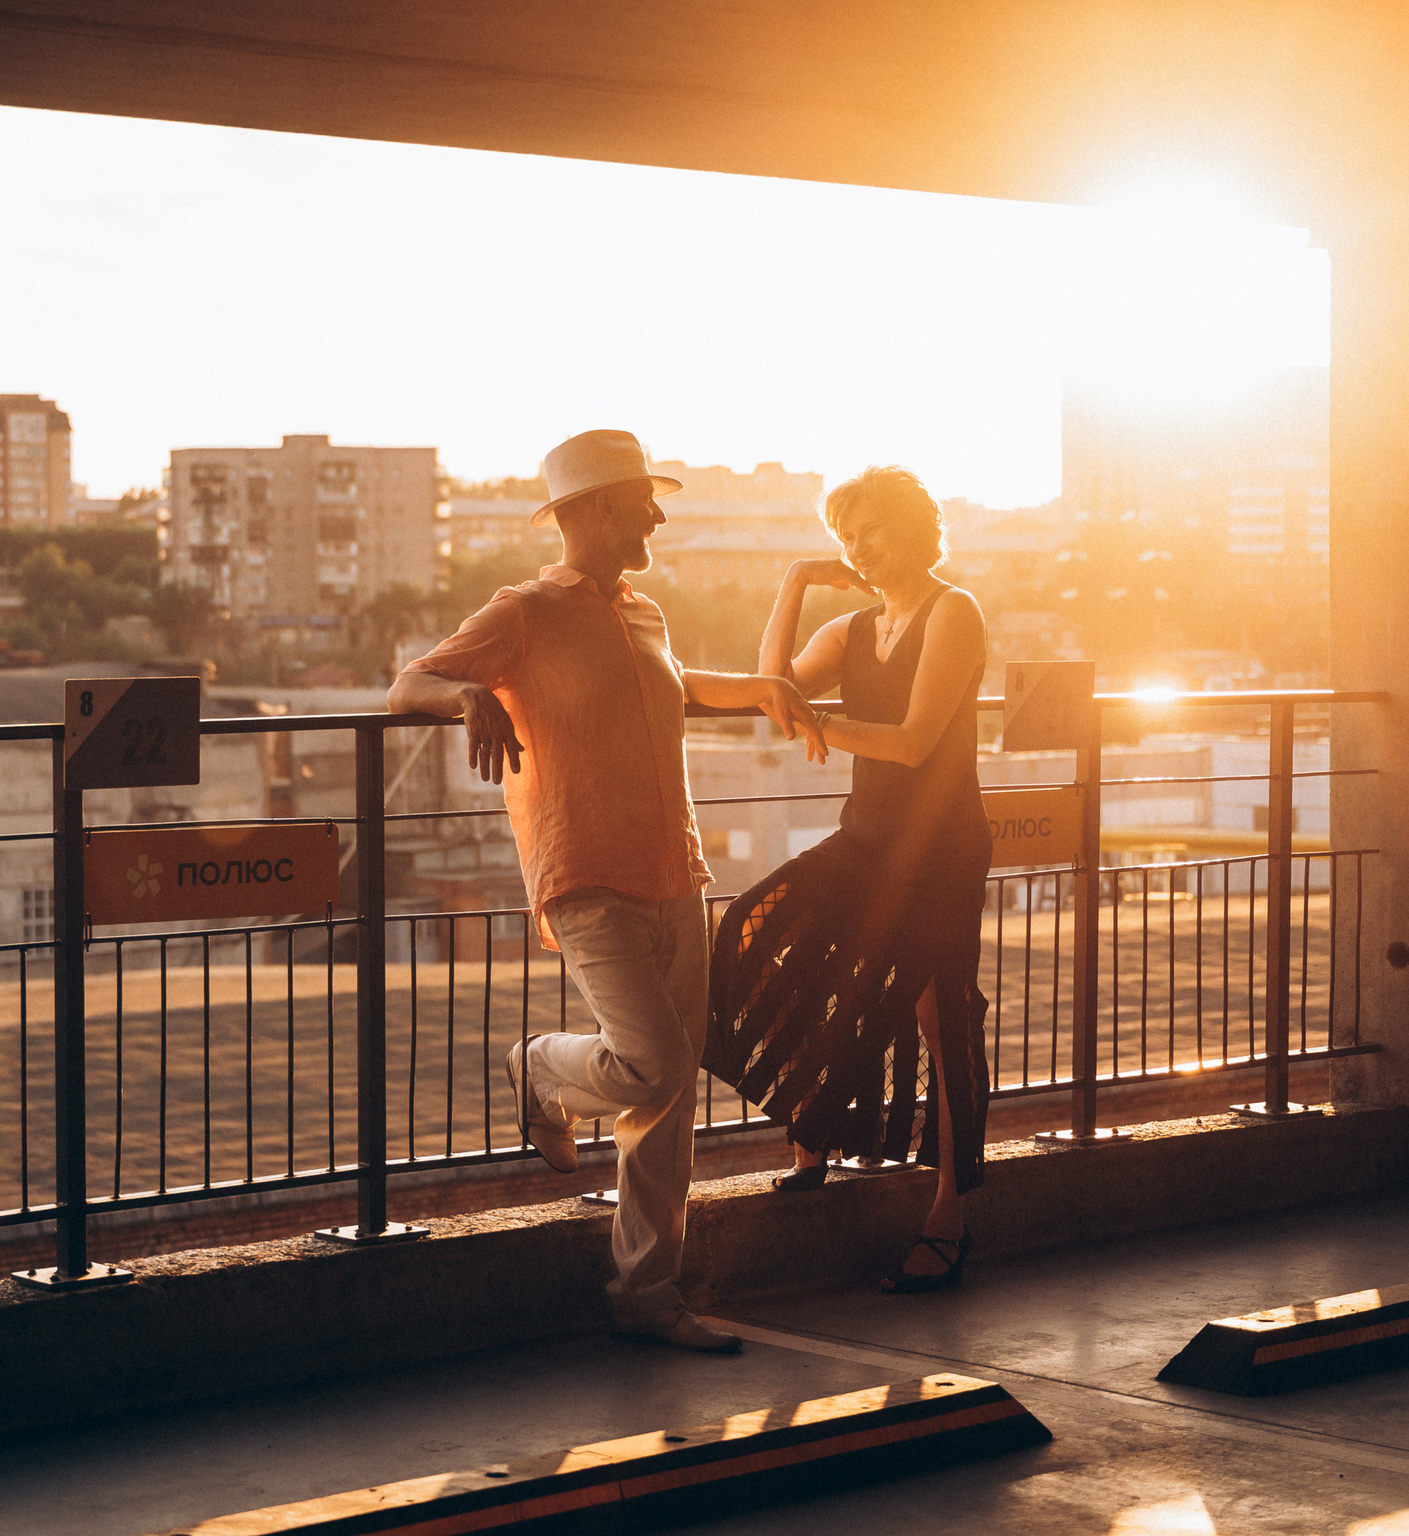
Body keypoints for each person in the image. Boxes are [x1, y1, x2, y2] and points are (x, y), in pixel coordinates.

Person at [389, 429, 825, 1352]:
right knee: (655, 1066)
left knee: (667, 1101)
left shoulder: (645, 613)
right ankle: (540, 1068)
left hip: (675, 867)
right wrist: (465, 697)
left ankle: (646, 1294)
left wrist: (760, 689)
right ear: (592, 511)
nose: (658, 517)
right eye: (642, 502)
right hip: (584, 873)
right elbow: (407, 683)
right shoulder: (524, 611)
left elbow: (672, 688)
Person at [702, 464, 992, 1294]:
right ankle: (815, 1121)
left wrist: (818, 721)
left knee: (940, 1019)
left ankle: (948, 1216)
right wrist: (794, 582)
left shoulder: (953, 611)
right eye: (845, 538)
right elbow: (774, 691)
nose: (858, 548)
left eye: (871, 531)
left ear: (912, 527)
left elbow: (913, 741)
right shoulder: (856, 626)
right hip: (866, 839)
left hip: (938, 853)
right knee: (752, 924)